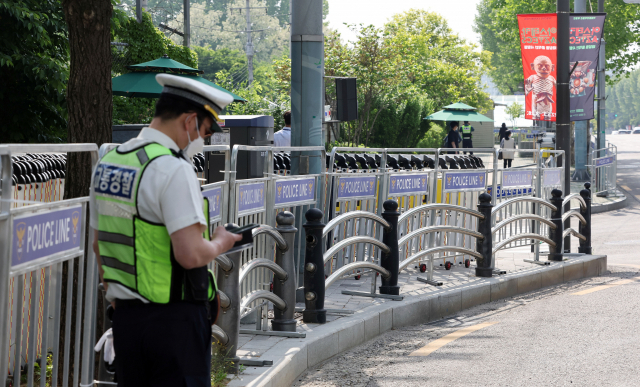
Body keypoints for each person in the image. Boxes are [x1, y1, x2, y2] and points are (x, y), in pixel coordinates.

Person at [90, 73, 243, 387]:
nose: (205, 138)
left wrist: (119, 300)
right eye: (206, 129)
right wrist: (220, 242)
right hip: (173, 325)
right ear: (189, 121)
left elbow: (98, 245)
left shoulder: (109, 163)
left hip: (126, 320)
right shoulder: (172, 168)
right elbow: (190, 254)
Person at [524, 55, 557, 120]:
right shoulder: (533, 77)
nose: (544, 68)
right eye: (540, 66)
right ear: (533, 66)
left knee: (548, 116)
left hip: (548, 100)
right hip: (536, 99)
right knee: (535, 115)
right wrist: (527, 87)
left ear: (552, 67)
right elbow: (526, 85)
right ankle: (536, 116)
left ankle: (547, 116)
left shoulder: (552, 78)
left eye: (547, 66)